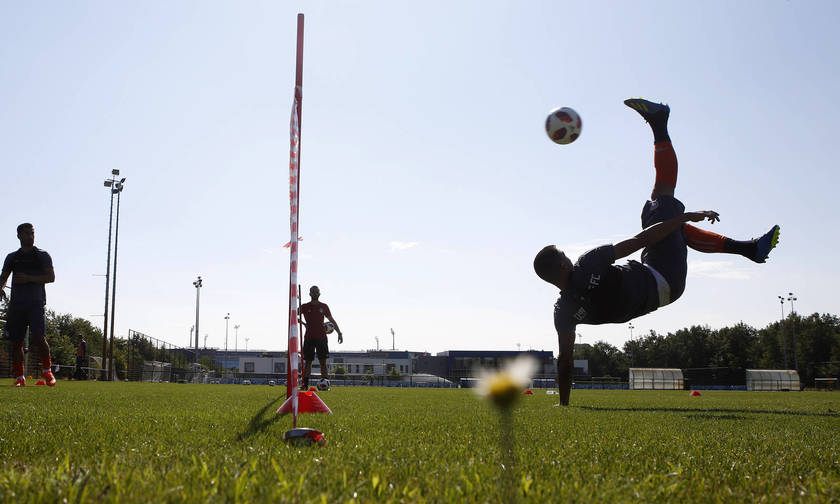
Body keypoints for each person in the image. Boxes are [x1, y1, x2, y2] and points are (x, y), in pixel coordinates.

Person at [534, 98, 780, 406]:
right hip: (659, 275)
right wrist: (683, 217)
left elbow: (565, 361)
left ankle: (749, 249)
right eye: (563, 256)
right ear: (560, 265)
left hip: (659, 286)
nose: (568, 257)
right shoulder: (587, 264)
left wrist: (565, 403)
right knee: (661, 196)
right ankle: (660, 123)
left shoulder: (563, 312)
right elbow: (639, 241)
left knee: (665, 223)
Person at [0, 223, 56, 387]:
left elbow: (51, 277)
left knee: (39, 338)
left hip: (36, 304)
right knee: (16, 342)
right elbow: (3, 277)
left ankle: (47, 371)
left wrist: (29, 278)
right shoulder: (12, 257)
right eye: (26, 233)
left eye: (32, 233)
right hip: (16, 305)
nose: (30, 236)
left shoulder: (42, 255)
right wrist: (1, 287)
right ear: (19, 236)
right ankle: (20, 378)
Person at [299, 285, 343, 389]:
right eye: (313, 291)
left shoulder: (324, 306)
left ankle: (325, 384)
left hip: (321, 338)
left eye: (316, 291)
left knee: (323, 362)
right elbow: (293, 315)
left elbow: (331, 320)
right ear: (309, 294)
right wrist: (303, 323)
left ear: (319, 293)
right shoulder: (305, 306)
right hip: (309, 338)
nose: (315, 293)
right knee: (308, 362)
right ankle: (305, 385)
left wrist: (339, 333)